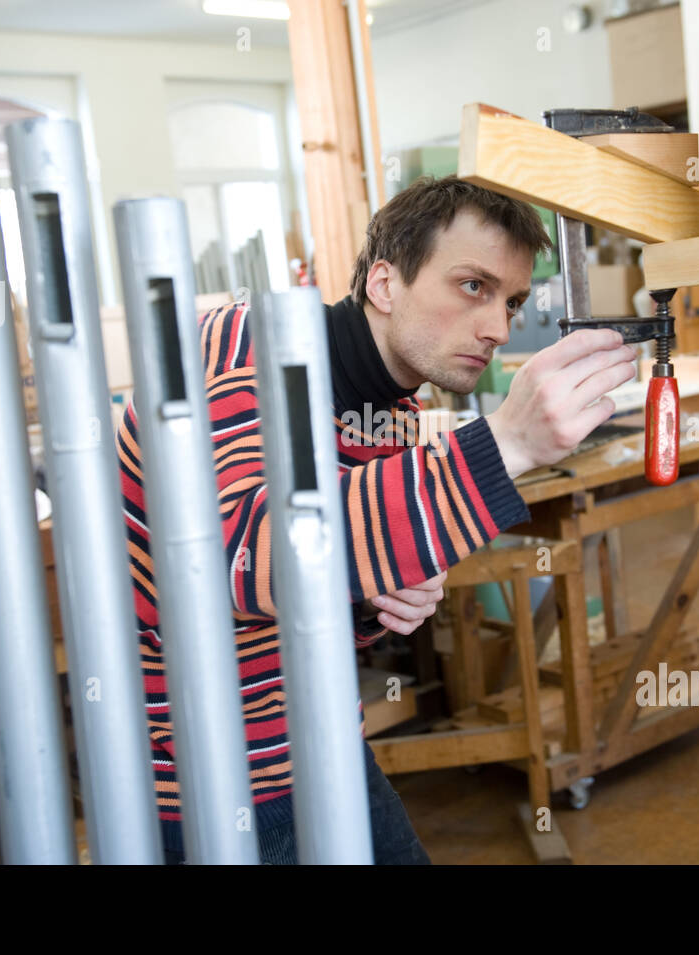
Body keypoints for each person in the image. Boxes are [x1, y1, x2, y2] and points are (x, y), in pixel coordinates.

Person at [115, 175, 638, 864]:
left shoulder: (394, 413)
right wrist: (506, 442)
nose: (498, 327)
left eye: (511, 300)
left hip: (320, 737)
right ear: (385, 284)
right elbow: (252, 559)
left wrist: (383, 597)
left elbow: (335, 583)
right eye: (473, 286)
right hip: (215, 777)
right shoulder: (244, 350)